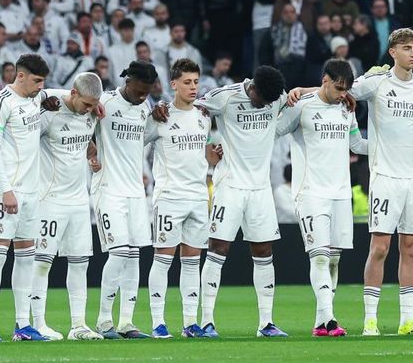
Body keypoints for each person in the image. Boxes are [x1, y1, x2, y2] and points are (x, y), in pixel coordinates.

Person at [349, 27, 413, 336]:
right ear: (392, 52)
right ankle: (370, 319)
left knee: (411, 247)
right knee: (380, 247)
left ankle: (406, 320)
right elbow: (340, 90)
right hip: (385, 176)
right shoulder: (376, 83)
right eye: (407, 48)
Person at [198, 64, 288, 337]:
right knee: (218, 249)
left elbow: (297, 94)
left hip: (261, 190)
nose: (266, 106)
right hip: (230, 187)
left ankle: (266, 323)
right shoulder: (224, 97)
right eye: (262, 100)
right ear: (253, 88)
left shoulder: (276, 96)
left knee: (264, 253)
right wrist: (206, 147)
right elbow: (192, 110)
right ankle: (205, 321)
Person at [277, 58, 364, 336]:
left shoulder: (345, 108)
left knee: (334, 258)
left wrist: (392, 147)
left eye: (345, 89)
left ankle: (319, 323)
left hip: (340, 193)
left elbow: (357, 144)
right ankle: (330, 319)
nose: (342, 94)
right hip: (310, 192)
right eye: (338, 88)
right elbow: (275, 130)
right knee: (320, 257)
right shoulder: (301, 106)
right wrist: (290, 96)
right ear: (324, 80)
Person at [0, 53, 56, 342]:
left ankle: (23, 325)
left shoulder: (36, 98)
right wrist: (6, 188)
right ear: (19, 75)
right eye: (36, 80)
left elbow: (58, 94)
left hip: (32, 192)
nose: (40, 86)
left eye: (42, 82)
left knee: (26, 257)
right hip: (5, 191)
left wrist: (90, 103)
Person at [29, 72, 103, 340]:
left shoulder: (91, 114)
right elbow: (23, 141)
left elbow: (85, 146)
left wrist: (92, 155)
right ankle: (37, 323)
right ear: (72, 94)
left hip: (79, 201)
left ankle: (79, 326)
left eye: (94, 105)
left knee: (80, 262)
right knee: (42, 262)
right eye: (86, 104)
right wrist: (47, 96)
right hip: (49, 199)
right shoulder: (50, 114)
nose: (90, 110)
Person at [145, 59, 211, 338]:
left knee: (192, 261)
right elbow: (135, 144)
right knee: (162, 259)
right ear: (174, 84)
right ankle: (158, 322)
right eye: (187, 82)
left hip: (198, 197)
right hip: (169, 197)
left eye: (196, 81)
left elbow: (201, 155)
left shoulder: (204, 116)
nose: (193, 87)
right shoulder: (160, 116)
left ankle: (189, 323)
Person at [91, 60, 157, 339]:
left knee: (134, 255)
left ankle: (126, 322)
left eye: (147, 92)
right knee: (118, 252)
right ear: (127, 82)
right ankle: (104, 320)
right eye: (140, 91)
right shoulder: (104, 102)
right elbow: (78, 124)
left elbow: (146, 138)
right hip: (108, 188)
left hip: (134, 191)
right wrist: (90, 151)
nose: (143, 96)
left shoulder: (146, 107)